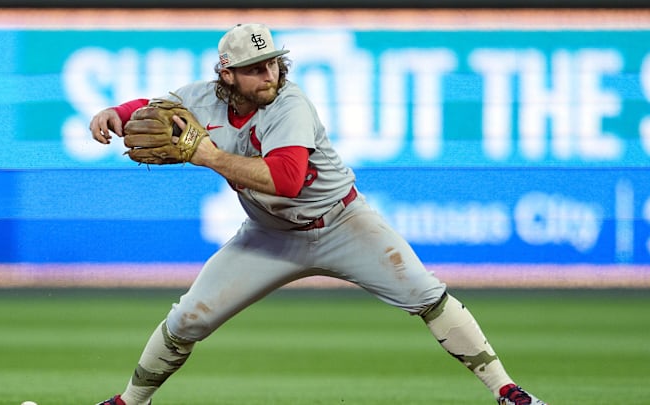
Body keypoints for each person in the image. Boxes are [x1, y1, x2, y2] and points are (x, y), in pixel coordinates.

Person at [89, 23, 547, 405]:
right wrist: (115, 111)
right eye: (254, 68)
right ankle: (128, 402)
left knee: (428, 296)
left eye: (272, 62)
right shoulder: (202, 98)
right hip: (267, 235)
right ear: (227, 76)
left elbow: (286, 181)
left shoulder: (290, 104)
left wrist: (208, 156)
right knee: (189, 318)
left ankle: (508, 391)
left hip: (344, 223)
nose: (268, 74)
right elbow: (153, 110)